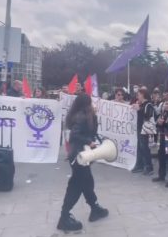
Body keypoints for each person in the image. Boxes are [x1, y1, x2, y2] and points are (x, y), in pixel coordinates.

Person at [57, 94, 108, 232]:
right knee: (76, 186)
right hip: (80, 157)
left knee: (87, 182)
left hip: (80, 156)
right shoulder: (83, 116)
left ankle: (95, 208)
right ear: (88, 104)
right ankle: (64, 217)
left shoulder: (79, 114)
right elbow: (75, 135)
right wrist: (89, 141)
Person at [131, 89, 154, 175]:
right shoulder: (142, 104)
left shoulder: (148, 105)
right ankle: (140, 165)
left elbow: (148, 116)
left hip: (145, 129)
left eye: (138, 94)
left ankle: (149, 167)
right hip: (140, 128)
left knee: (144, 148)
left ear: (143, 94)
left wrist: (139, 109)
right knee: (139, 147)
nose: (137, 96)